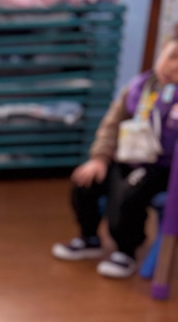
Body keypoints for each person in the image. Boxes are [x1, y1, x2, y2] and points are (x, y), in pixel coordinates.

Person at [52, 28, 178, 278]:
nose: (173, 67)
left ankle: (126, 251)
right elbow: (112, 125)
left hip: (162, 169)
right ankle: (89, 238)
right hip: (128, 156)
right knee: (86, 180)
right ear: (163, 50)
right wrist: (99, 158)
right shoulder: (139, 87)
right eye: (172, 56)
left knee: (128, 194)